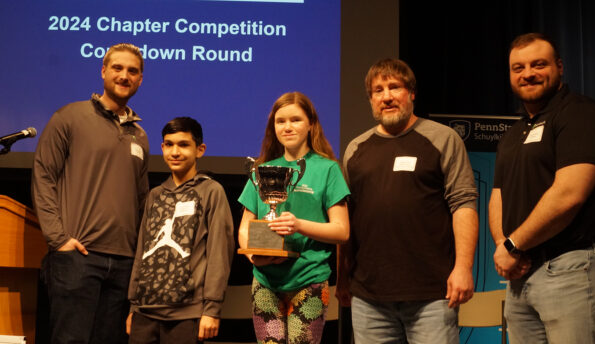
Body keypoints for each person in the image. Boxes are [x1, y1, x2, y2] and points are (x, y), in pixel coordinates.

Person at [337, 58, 479, 344]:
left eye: (394, 87)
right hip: (369, 298)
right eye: (378, 90)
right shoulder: (355, 149)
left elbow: (463, 204)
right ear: (370, 99)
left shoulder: (443, 139)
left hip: (431, 295)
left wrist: (463, 268)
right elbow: (345, 219)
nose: (386, 96)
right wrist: (342, 276)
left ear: (412, 93)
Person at [32, 43, 148, 343]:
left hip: (123, 263)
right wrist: (59, 239)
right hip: (78, 258)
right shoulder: (69, 117)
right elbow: (44, 177)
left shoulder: (141, 135)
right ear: (103, 71)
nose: (124, 76)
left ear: (140, 79)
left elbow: (140, 200)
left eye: (132, 71)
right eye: (118, 68)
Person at [490, 33, 595, 343]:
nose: (528, 74)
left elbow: (570, 194)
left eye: (538, 64)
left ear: (560, 67)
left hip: (570, 269)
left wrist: (512, 245)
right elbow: (498, 195)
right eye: (518, 67)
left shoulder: (580, 113)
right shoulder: (512, 134)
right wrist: (503, 245)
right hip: (520, 276)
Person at [238, 92, 350, 344]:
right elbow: (245, 226)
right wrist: (254, 256)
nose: (287, 127)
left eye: (296, 120)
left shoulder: (328, 169)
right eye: (280, 121)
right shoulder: (263, 169)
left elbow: (342, 231)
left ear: (311, 124)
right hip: (265, 282)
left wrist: (299, 225)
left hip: (308, 280)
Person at [127, 117, 234, 343]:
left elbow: (219, 254)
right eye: (169, 144)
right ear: (162, 148)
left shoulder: (212, 191)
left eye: (183, 145)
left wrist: (211, 309)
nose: (175, 152)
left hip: (187, 314)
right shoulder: (155, 195)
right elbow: (141, 252)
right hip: (145, 311)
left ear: (200, 150)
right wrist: (133, 305)